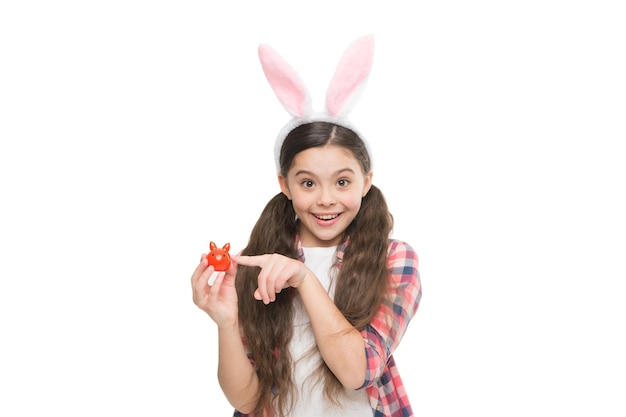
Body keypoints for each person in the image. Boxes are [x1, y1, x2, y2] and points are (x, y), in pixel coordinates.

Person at [191, 35, 421, 417]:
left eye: (343, 182)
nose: (326, 199)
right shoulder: (257, 263)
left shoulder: (395, 260)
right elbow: (247, 401)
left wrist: (304, 279)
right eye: (308, 183)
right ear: (285, 185)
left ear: (366, 182)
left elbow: (356, 372)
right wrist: (227, 322)